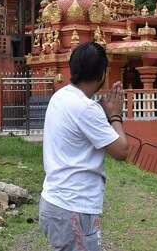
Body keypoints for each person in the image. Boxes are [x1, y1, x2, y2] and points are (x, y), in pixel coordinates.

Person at [39, 42, 130, 251]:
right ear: (102, 74)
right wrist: (115, 114)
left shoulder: (60, 96)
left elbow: (80, 119)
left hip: (54, 202)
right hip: (74, 209)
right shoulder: (86, 109)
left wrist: (101, 110)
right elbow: (122, 151)